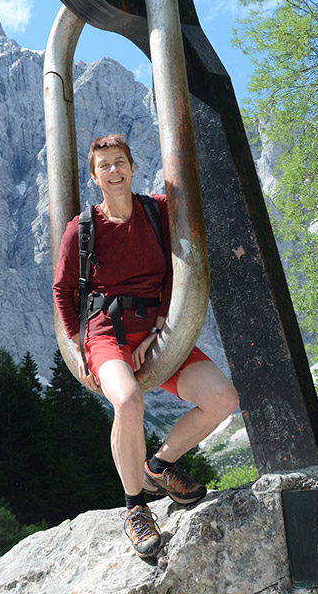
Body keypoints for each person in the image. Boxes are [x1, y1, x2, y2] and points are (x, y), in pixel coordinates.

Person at [52, 134, 239, 557]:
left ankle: (160, 466)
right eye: (104, 166)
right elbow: (63, 289)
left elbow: (177, 269)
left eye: (120, 162)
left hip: (159, 332)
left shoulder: (157, 211)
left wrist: (158, 326)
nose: (113, 171)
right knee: (130, 403)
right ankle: (136, 507)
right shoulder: (81, 229)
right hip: (105, 335)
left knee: (223, 399)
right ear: (94, 176)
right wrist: (78, 341)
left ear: (133, 168)